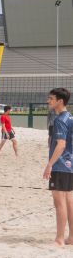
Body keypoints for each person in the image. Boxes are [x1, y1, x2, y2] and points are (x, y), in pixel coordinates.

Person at [43, 88, 73, 247]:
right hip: (69, 165)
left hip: (60, 165)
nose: (49, 101)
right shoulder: (70, 117)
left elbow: (61, 145)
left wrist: (49, 164)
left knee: (59, 202)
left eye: (51, 98)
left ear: (60, 101)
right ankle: (71, 237)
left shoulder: (61, 119)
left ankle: (60, 239)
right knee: (68, 201)